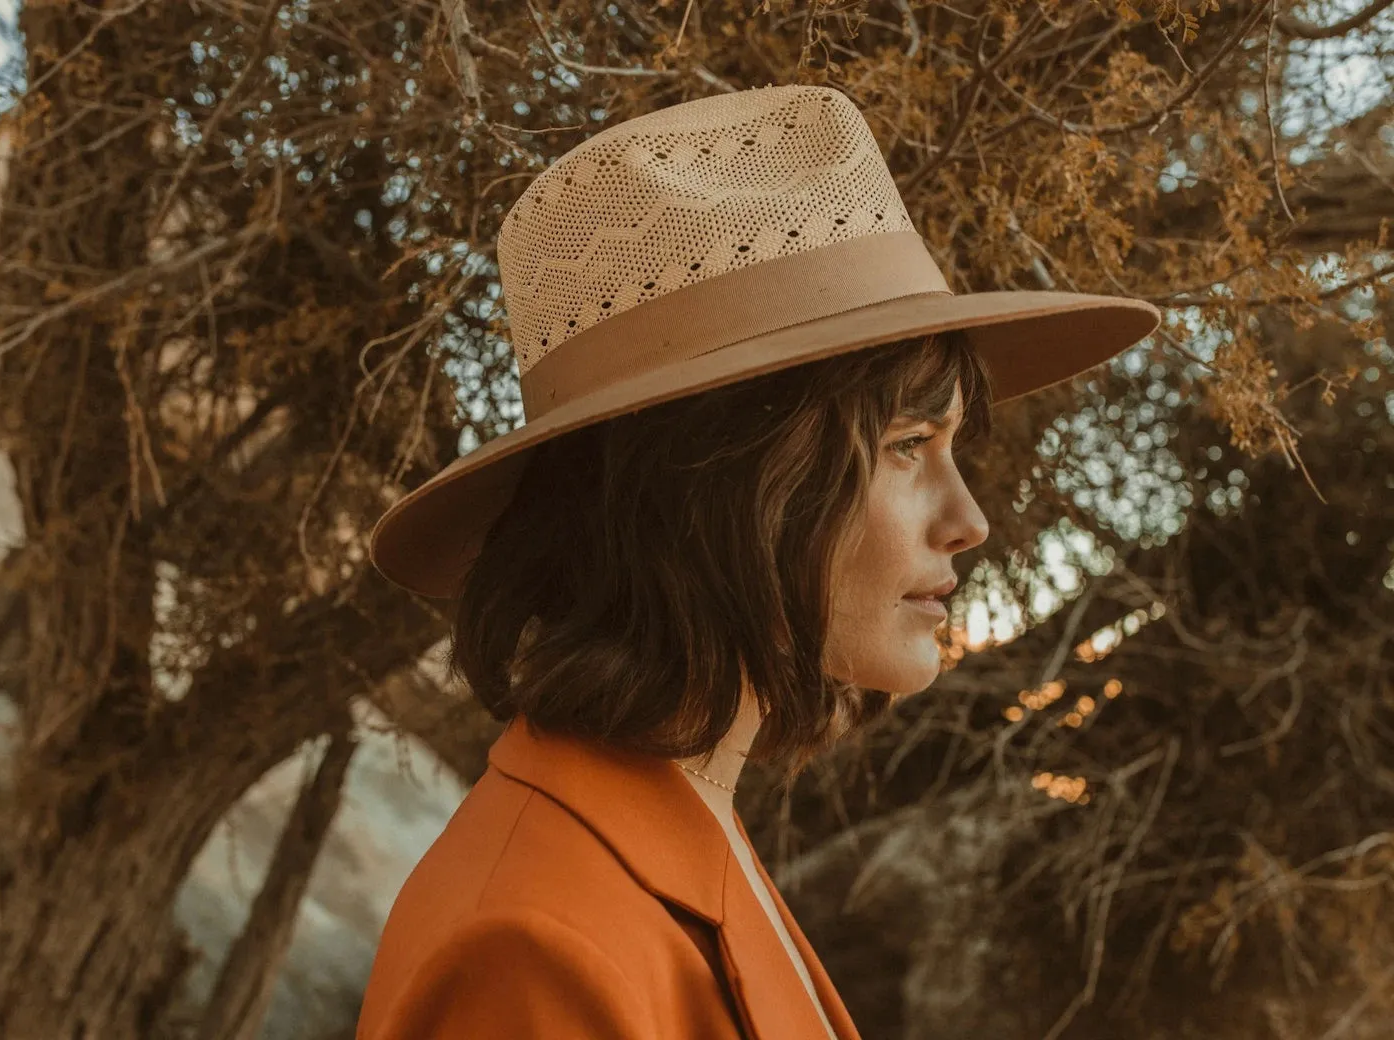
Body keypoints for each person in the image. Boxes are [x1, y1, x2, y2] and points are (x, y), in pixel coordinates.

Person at [357, 84, 1159, 1039]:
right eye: (908, 445)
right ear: (725, 488)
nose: (970, 520)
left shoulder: (681, 826)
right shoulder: (532, 946)